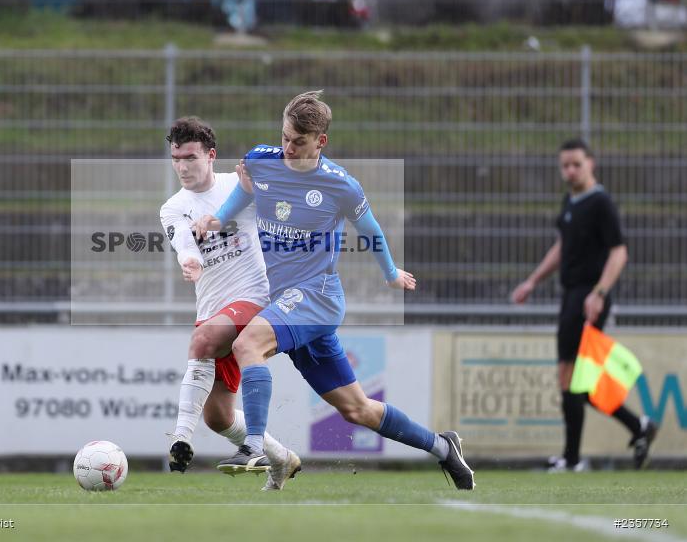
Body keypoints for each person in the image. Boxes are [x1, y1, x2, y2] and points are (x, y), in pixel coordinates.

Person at [193, 91, 475, 490]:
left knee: (246, 345)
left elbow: (372, 231)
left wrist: (391, 273)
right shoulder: (261, 160)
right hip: (288, 304)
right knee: (357, 410)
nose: (288, 148)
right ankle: (443, 448)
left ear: (320, 141)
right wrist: (216, 220)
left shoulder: (341, 186)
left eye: (299, 141)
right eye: (286, 137)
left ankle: (254, 446)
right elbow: (245, 191)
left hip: (317, 296)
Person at [160, 116, 301, 491]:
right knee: (219, 418)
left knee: (202, 342)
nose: (182, 166)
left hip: (253, 297)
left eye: (190, 157)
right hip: (212, 310)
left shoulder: (238, 186)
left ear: (211, 155)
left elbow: (283, 210)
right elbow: (185, 247)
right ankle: (281, 458)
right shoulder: (172, 207)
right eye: (176, 158)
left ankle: (179, 438)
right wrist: (188, 261)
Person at [511, 138, 657, 471]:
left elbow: (620, 252)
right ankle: (639, 427)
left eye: (576, 164)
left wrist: (599, 293)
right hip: (571, 294)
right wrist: (532, 281)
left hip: (589, 298)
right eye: (565, 165)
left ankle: (573, 459)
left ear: (591, 163)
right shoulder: (571, 201)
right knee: (579, 386)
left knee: (569, 378)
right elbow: (562, 247)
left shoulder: (600, 203)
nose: (570, 171)